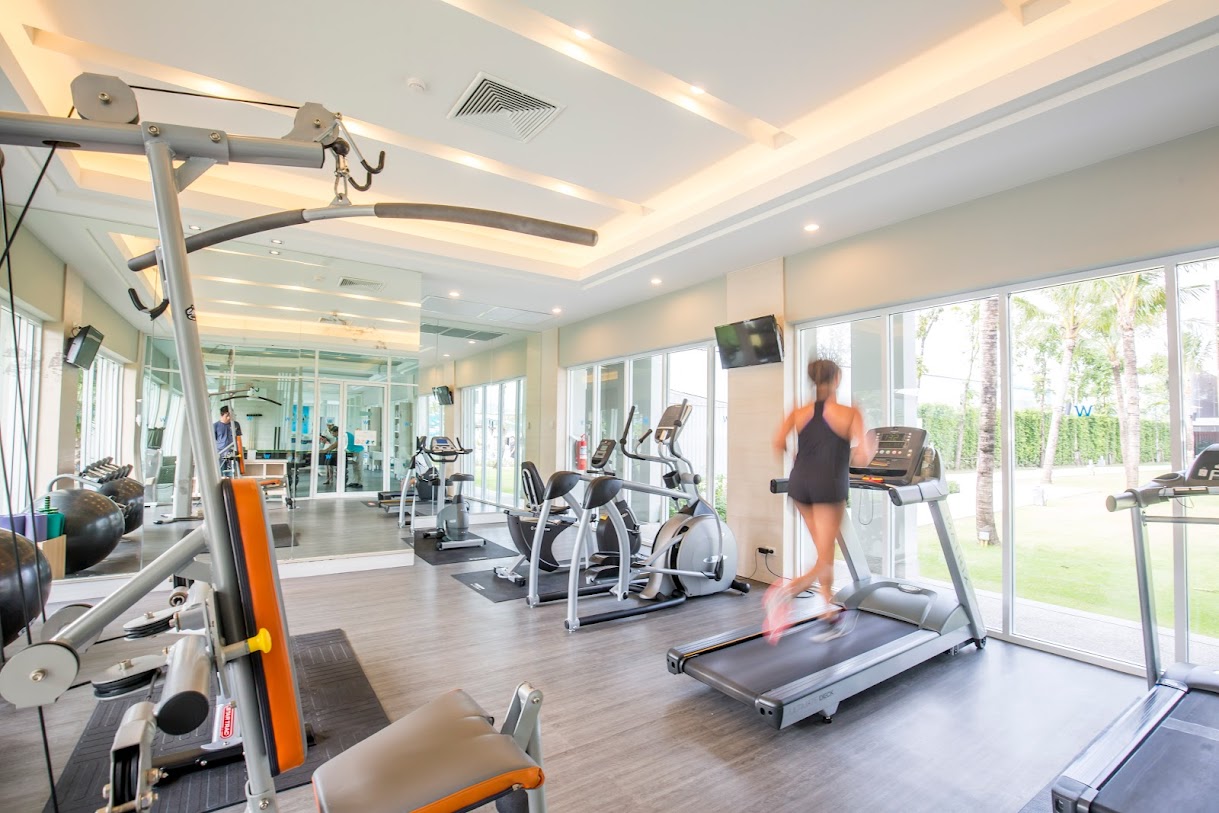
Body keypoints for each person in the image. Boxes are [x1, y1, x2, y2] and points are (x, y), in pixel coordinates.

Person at [764, 359, 877, 644]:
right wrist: (868, 446)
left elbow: (778, 442)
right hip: (829, 486)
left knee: (824, 551)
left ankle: (828, 611)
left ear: (813, 380)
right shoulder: (849, 412)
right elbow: (863, 456)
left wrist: (799, 457)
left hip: (801, 483)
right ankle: (784, 594)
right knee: (824, 557)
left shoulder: (799, 411)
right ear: (837, 379)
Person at [213, 405, 242, 474]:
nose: (229, 418)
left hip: (232, 453)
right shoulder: (215, 426)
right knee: (220, 473)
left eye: (230, 415)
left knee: (232, 474)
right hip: (220, 453)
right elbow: (213, 441)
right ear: (221, 415)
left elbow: (239, 439)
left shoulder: (235, 424)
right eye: (227, 416)